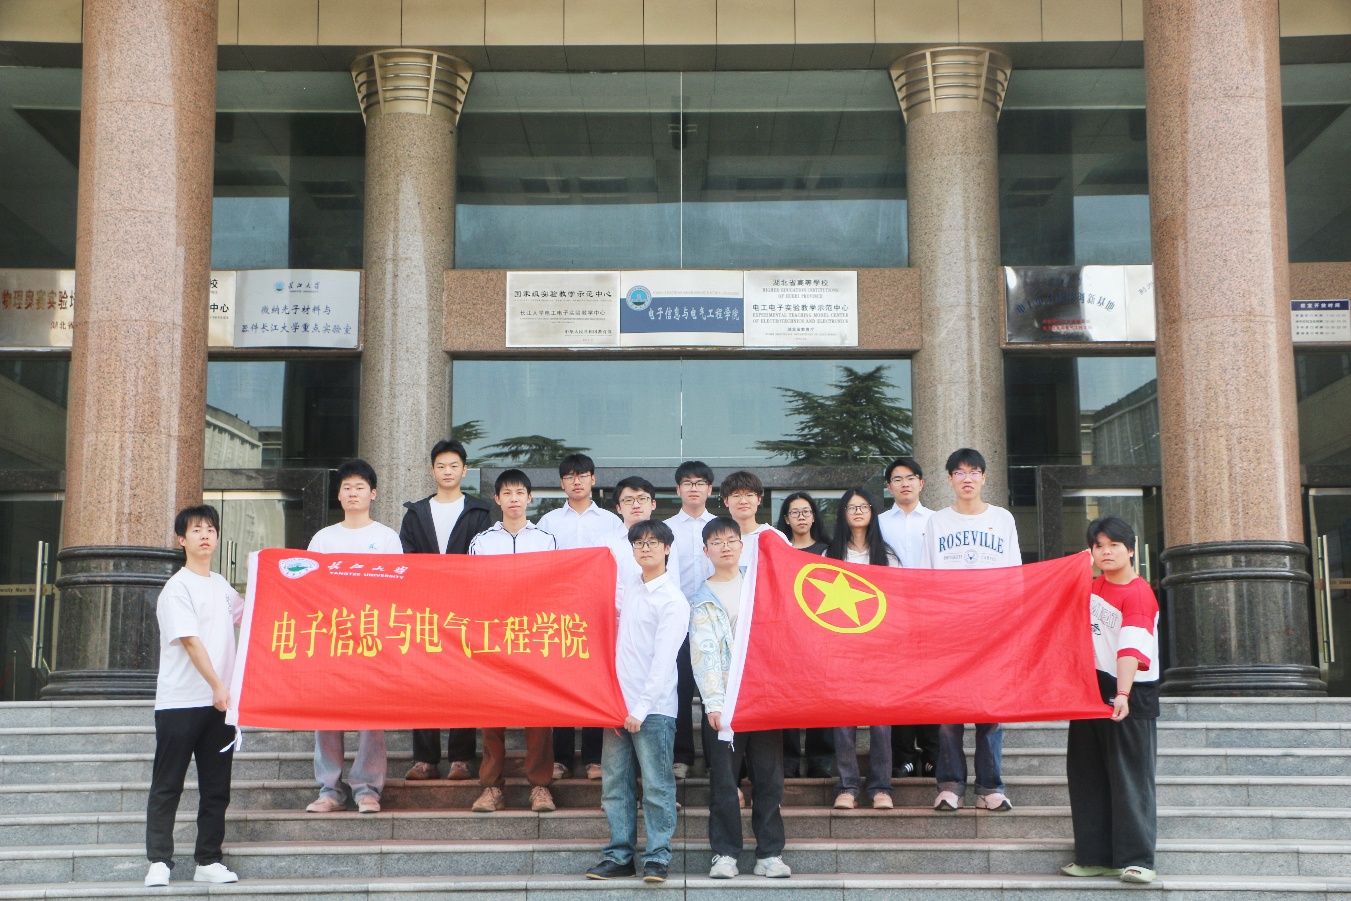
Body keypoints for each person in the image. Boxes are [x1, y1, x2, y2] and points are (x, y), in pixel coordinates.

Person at [144, 505, 244, 888]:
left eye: (211, 529)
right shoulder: (177, 587)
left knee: (216, 789)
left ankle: (208, 860)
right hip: (181, 703)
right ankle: (159, 861)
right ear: (181, 539)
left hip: (219, 705)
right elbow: (190, 641)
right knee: (168, 784)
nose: (205, 535)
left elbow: (250, 616)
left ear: (217, 538)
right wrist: (218, 685)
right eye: (196, 529)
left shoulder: (221, 585)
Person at [920, 447, 1022, 812]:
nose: (967, 479)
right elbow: (925, 578)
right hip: (949, 631)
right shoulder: (937, 522)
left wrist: (1011, 626)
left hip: (992, 631)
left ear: (984, 477)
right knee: (948, 715)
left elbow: (1015, 577)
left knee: (990, 713)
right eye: (960, 473)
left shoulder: (1003, 519)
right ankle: (950, 786)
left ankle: (990, 788)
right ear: (949, 479)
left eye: (974, 472)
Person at [689, 516, 791, 880]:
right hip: (726, 703)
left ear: (741, 545)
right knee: (724, 783)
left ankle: (770, 853)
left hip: (763, 697)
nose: (725, 547)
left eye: (731, 540)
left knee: (769, 779)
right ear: (706, 551)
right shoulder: (702, 598)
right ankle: (725, 853)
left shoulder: (760, 584)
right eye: (716, 542)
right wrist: (714, 703)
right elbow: (703, 655)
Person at [585, 520, 686, 884]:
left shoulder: (673, 600)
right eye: (639, 544)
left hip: (653, 710)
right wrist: (616, 704)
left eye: (653, 543)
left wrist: (640, 709)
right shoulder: (630, 587)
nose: (645, 548)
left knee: (657, 787)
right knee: (615, 785)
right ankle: (619, 856)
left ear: (667, 549)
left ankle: (657, 857)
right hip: (617, 706)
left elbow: (663, 662)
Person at [1061, 515, 1160, 885]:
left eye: (1114, 545)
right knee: (1087, 775)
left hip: (1131, 690)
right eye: (1098, 546)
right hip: (1091, 687)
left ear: (1131, 549)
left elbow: (1130, 648)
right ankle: (1094, 857)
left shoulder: (1138, 593)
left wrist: (1122, 692)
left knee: (1129, 778)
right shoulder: (1093, 586)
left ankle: (1137, 860)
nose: (1105, 552)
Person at [304, 459, 402, 814]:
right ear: (339, 495)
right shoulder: (323, 538)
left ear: (373, 494)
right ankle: (329, 789)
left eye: (360, 487)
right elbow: (307, 587)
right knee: (326, 714)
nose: (353, 492)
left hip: (373, 638)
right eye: (347, 487)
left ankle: (367, 789)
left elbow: (397, 588)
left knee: (370, 716)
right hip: (331, 636)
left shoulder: (387, 538)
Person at [399, 438, 492, 782]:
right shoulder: (416, 513)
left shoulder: (480, 512)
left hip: (467, 610)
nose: (448, 471)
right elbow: (406, 559)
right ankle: (425, 759)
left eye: (454, 465)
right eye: (441, 466)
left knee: (463, 681)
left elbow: (485, 559)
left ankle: (461, 758)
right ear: (432, 470)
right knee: (422, 682)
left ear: (464, 470)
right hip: (424, 610)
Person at [466, 469, 558, 814]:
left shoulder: (546, 540)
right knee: (492, 712)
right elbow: (474, 587)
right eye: (507, 493)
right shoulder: (482, 542)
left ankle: (540, 786)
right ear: (497, 499)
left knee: (539, 712)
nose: (514, 499)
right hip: (493, 634)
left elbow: (554, 586)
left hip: (535, 634)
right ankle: (491, 787)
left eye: (520, 492)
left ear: (530, 498)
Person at [539, 453, 627, 780]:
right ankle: (560, 758)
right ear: (562, 483)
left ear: (593, 479)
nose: (576, 482)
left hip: (599, 611)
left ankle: (593, 758)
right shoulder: (548, 522)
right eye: (570, 477)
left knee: (594, 682)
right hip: (560, 611)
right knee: (562, 684)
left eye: (582, 475)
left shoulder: (611, 522)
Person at [823, 488, 898, 810]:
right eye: (851, 507)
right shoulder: (829, 555)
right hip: (842, 650)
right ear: (842, 513)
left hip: (880, 651)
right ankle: (848, 787)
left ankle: (881, 788)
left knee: (881, 722)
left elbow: (899, 601)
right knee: (843, 720)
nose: (857, 512)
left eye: (863, 506)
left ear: (872, 512)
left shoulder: (887, 555)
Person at [877, 457, 939, 781]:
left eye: (910, 478)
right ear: (889, 487)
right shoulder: (878, 523)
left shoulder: (938, 520)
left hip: (930, 611)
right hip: (891, 613)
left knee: (931, 683)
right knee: (898, 685)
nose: (905, 484)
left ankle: (932, 755)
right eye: (897, 479)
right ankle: (904, 757)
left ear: (921, 483)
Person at [773, 491, 834, 779]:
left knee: (821, 696)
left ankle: (820, 759)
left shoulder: (828, 551)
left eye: (806, 511)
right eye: (795, 512)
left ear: (814, 516)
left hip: (821, 634)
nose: (801, 517)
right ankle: (788, 759)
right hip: (786, 633)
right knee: (787, 697)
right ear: (786, 519)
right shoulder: (778, 550)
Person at [663, 461, 716, 782]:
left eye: (700, 483)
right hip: (679, 622)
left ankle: (715, 758)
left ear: (709, 489)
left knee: (714, 692)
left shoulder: (722, 528)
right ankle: (681, 756)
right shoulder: (665, 529)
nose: (693, 488)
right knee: (679, 690)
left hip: (714, 621)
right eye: (687, 483)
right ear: (678, 489)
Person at [720, 470, 789, 569]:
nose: (743, 501)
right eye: (736, 495)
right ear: (726, 501)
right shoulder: (718, 540)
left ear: (759, 499)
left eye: (749, 495)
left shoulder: (774, 536)